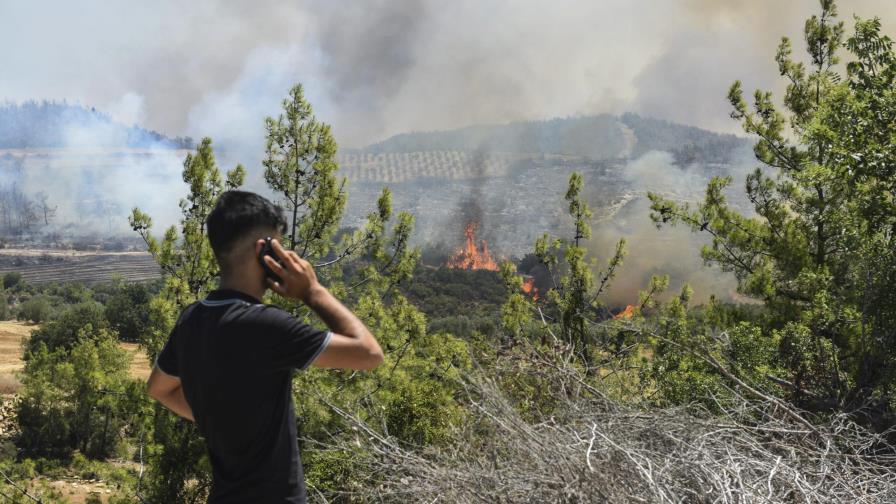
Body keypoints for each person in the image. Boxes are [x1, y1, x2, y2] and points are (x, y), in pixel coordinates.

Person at [146, 190, 384, 503]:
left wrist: (215, 418)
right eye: (279, 247)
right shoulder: (265, 325)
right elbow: (369, 353)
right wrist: (313, 292)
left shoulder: (192, 320)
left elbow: (159, 389)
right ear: (264, 250)